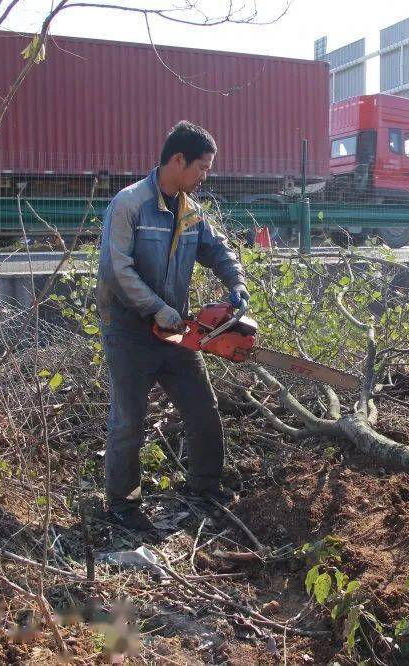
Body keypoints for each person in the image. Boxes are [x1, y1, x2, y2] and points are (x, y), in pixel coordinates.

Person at [97, 121, 249, 532]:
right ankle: (122, 506)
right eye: (201, 168)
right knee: (129, 418)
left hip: (174, 329)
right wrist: (156, 308)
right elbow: (116, 269)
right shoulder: (130, 204)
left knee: (202, 408)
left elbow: (216, 249)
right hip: (129, 330)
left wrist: (235, 282)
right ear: (178, 160)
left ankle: (204, 484)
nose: (204, 177)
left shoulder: (189, 210)